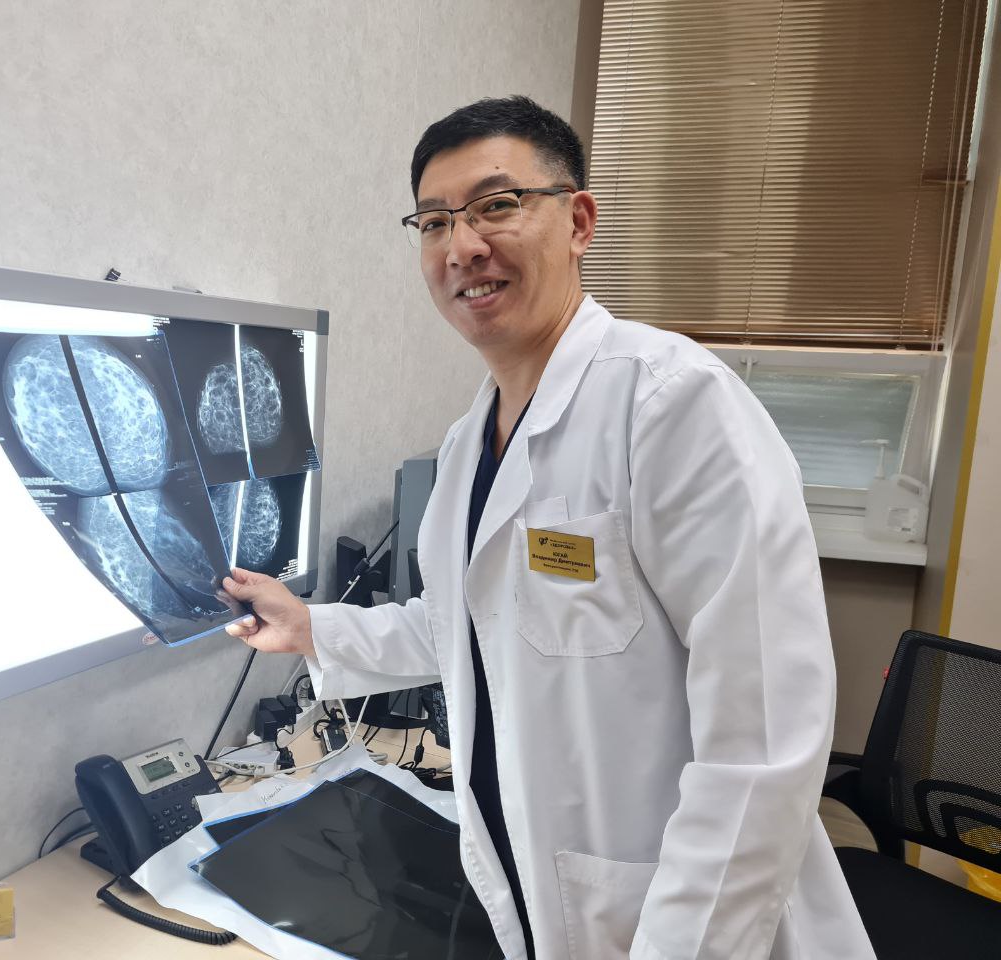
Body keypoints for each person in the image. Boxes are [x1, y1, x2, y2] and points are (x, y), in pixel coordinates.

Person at [223, 96, 874, 960]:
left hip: (688, 917)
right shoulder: (469, 443)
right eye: (434, 222)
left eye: (497, 205)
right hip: (543, 887)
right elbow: (469, 624)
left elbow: (763, 747)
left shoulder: (672, 402)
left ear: (579, 222)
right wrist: (314, 629)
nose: (462, 246)